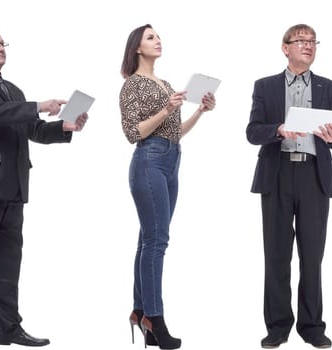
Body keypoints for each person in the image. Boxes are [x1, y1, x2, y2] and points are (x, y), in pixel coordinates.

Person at [0, 24, 88, 350]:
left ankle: (8, 328)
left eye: (3, 43)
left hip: (14, 186)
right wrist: (37, 105)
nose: (1, 48)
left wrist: (65, 127)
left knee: (8, 262)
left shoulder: (13, 89)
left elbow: (34, 130)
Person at [246, 23, 332, 349]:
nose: (308, 45)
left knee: (312, 256)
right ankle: (277, 326)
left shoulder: (331, 88)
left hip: (313, 177)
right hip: (276, 174)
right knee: (276, 255)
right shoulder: (265, 86)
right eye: (300, 41)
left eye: (312, 41)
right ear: (285, 47)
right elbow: (252, 132)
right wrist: (278, 129)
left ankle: (312, 326)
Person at [120, 24, 215, 350]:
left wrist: (199, 111)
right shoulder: (133, 85)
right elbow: (135, 133)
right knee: (157, 242)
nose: (157, 40)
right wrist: (167, 108)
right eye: (150, 37)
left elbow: (175, 131)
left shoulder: (165, 82)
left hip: (171, 158)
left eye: (158, 36)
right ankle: (155, 320)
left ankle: (139, 310)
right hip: (149, 162)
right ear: (136, 48)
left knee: (148, 240)